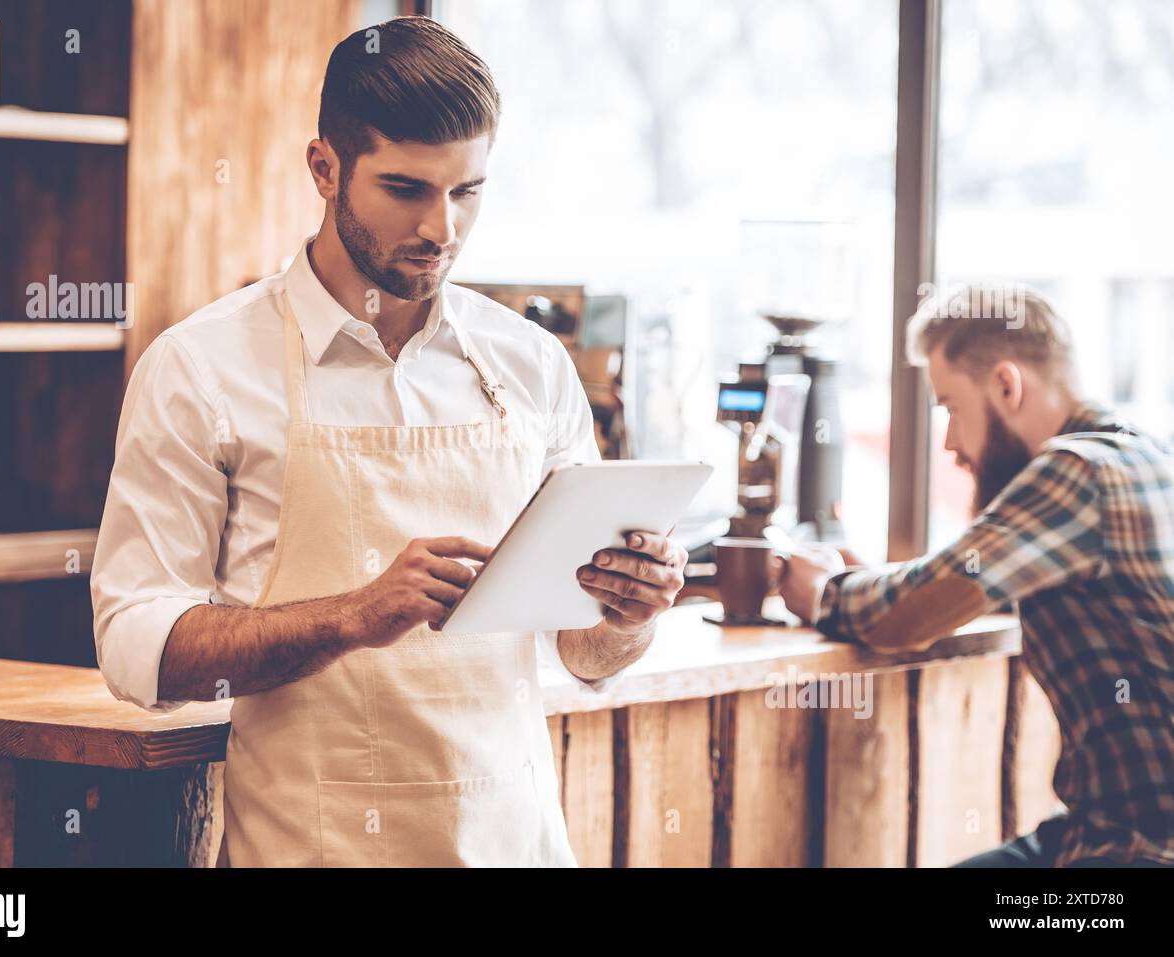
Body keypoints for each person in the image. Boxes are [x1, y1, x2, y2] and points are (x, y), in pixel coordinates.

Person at [89, 17, 687, 867]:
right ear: (324, 168)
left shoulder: (531, 365)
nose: (441, 228)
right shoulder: (200, 368)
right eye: (406, 189)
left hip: (515, 844)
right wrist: (355, 614)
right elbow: (137, 647)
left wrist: (629, 615)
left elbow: (583, 649)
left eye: (466, 192)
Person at [779, 283, 1174, 867]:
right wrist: (888, 578)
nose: (950, 442)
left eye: (950, 409)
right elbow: (965, 579)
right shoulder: (1144, 458)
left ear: (1006, 386)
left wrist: (815, 590)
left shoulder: (1076, 468)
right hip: (1099, 832)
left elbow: (902, 618)